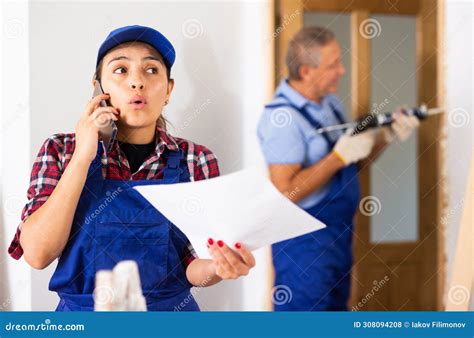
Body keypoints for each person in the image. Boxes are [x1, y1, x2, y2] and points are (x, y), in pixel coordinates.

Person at [8, 25, 255, 311]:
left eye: (151, 70)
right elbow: (38, 254)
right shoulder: (60, 150)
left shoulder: (195, 159)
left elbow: (194, 266)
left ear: (168, 91)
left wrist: (220, 266)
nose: (137, 81)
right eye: (121, 70)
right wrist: (82, 155)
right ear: (98, 88)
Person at [257, 26, 419, 311]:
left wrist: (386, 137)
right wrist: (337, 158)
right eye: (334, 65)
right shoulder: (282, 119)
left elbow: (351, 163)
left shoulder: (329, 103)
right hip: (304, 251)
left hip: (338, 240)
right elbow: (284, 193)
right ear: (306, 71)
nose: (342, 71)